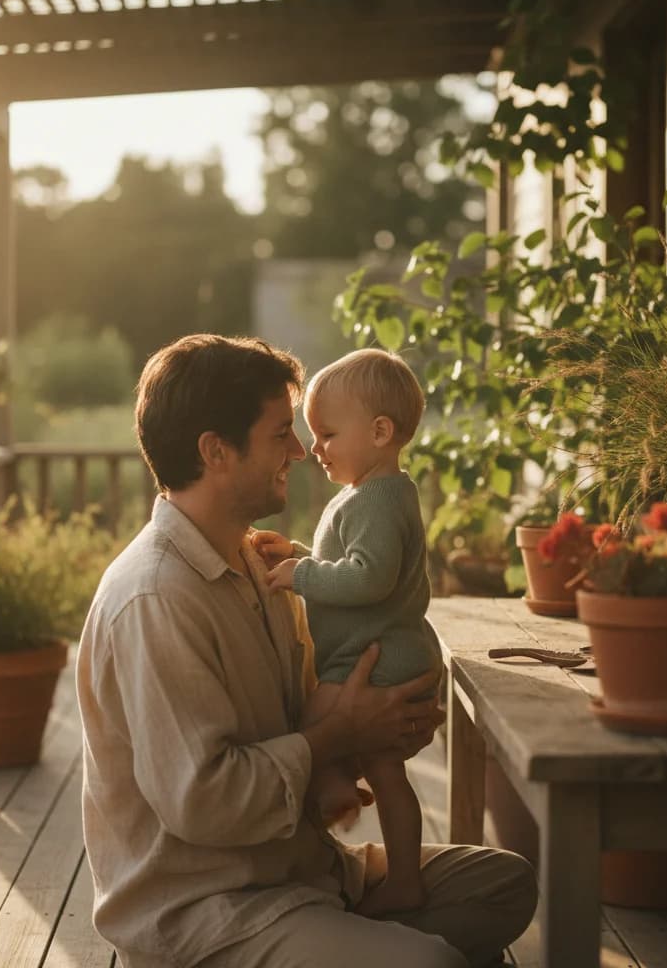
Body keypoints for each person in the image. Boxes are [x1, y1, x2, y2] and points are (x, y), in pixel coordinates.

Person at [76, 333, 537, 968]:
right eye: (279, 434)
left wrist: (376, 728)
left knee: (505, 884)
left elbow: (305, 710)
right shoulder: (156, 597)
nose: (300, 449)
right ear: (216, 451)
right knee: (435, 963)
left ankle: (354, 935)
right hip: (215, 911)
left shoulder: (257, 563)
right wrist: (339, 732)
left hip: (306, 875)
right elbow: (204, 804)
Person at [253, 349, 440, 918]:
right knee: (389, 775)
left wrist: (302, 575)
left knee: (315, 718)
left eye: (328, 434)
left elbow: (370, 578)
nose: (314, 449)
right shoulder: (373, 492)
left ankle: (332, 785)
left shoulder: (379, 499)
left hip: (376, 654)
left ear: (381, 432)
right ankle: (405, 879)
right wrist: (303, 554)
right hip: (383, 646)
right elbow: (354, 564)